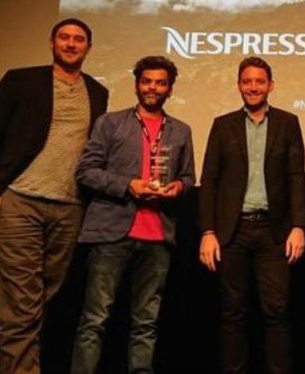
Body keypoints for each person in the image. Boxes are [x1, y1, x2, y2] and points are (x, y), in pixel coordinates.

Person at [0, 18, 108, 373]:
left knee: (42, 299)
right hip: (21, 200)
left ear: (88, 48)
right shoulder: (21, 80)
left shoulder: (98, 92)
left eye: (78, 39)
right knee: (19, 301)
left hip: (70, 207)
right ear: (51, 43)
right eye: (64, 37)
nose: (71, 44)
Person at [71, 55, 195, 373]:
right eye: (147, 81)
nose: (153, 88)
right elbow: (86, 171)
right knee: (95, 319)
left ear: (170, 89)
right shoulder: (110, 123)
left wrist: (178, 188)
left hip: (158, 236)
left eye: (160, 83)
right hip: (111, 233)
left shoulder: (181, 130)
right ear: (137, 84)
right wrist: (128, 185)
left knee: (146, 324)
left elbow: (187, 177)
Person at [198, 56, 305, 374]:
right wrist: (207, 232)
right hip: (232, 232)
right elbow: (210, 181)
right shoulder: (223, 125)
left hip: (274, 233)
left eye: (260, 81)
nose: (253, 87)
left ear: (271, 85)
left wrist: (298, 226)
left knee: (277, 312)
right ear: (239, 85)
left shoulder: (288, 122)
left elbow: (296, 177)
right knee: (233, 313)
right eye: (247, 81)